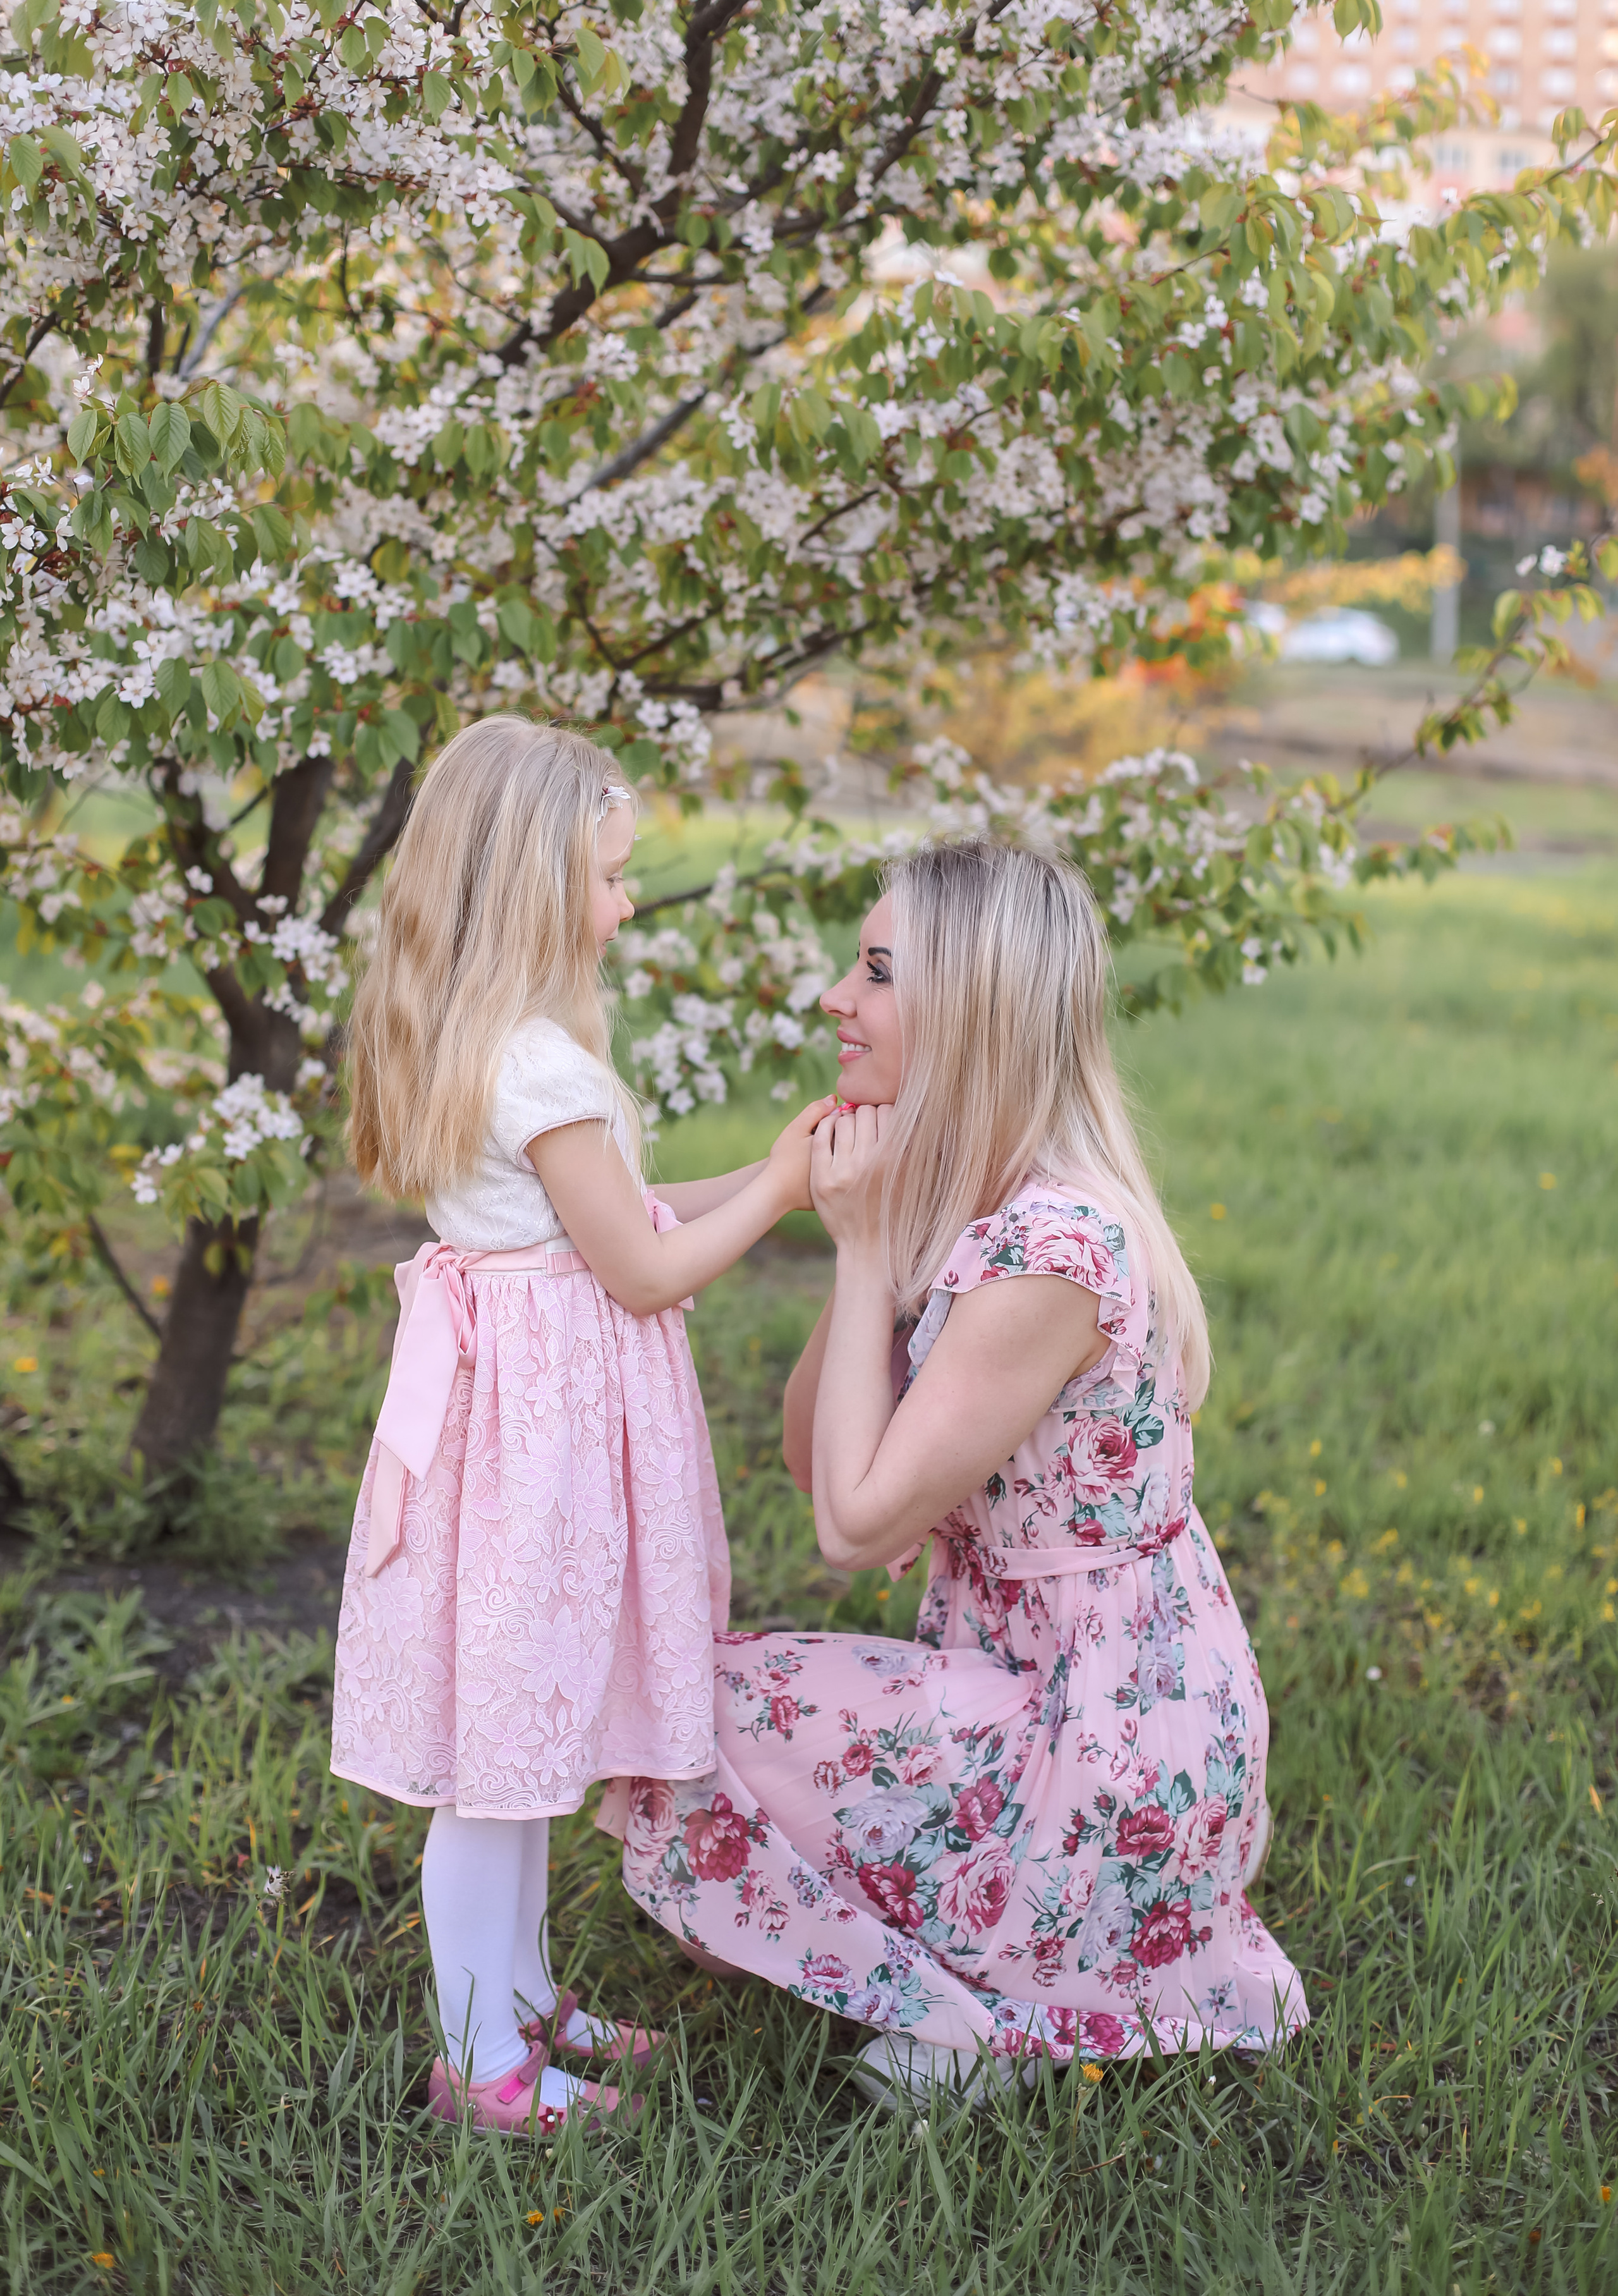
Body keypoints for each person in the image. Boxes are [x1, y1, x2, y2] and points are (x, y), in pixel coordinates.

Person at [606, 838, 1306, 2105]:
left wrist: (867, 1248)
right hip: (1017, 1690)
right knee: (678, 1696)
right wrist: (856, 1240)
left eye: (875, 972)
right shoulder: (970, 1200)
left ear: (970, 1008)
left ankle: (998, 2003)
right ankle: (975, 1961)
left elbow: (854, 1528)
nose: (835, 997)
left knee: (705, 1712)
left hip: (1100, 1753)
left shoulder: (1055, 1246)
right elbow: (801, 1446)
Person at [329, 717, 831, 2135]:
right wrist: (785, 1194)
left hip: (524, 1436)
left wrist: (780, 1165)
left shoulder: (499, 1040)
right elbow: (648, 1267)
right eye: (610, 877)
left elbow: (632, 1213)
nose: (624, 903)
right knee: (497, 1772)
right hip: (531, 1458)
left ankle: (523, 1998)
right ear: (541, 885)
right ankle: (481, 2064)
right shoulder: (536, 1067)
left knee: (523, 1744)